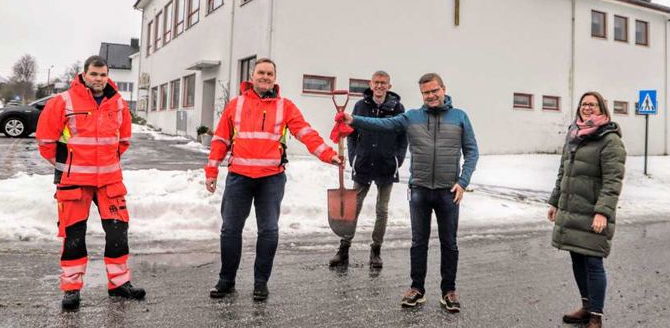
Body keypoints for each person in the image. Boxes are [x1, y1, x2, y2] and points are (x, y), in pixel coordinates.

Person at [205, 58, 341, 301]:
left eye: (270, 73)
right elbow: (220, 140)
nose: (265, 77)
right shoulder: (235, 105)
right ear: (252, 76)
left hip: (271, 179)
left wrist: (328, 154)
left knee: (268, 231)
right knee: (229, 230)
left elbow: (305, 133)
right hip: (239, 178)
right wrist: (212, 171)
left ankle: (260, 282)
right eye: (261, 73)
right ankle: (226, 280)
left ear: (274, 78)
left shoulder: (285, 107)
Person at [340, 72, 478, 313]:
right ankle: (417, 289)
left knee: (450, 243)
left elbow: (472, 152)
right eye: (426, 93)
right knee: (418, 243)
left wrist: (463, 181)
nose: (431, 96)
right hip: (420, 190)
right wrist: (354, 120)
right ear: (422, 95)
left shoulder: (460, 117)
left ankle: (449, 291)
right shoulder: (412, 117)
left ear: (443, 89)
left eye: (435, 91)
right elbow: (383, 124)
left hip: (448, 192)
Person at [35, 55, 145, 310]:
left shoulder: (117, 103)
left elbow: (124, 140)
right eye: (94, 74)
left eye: (103, 74)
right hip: (74, 182)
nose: (98, 79)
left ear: (108, 76)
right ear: (83, 75)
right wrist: (67, 166)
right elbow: (46, 141)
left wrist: (106, 161)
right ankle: (71, 289)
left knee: (118, 233)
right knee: (74, 235)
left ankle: (119, 284)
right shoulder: (63, 101)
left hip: (109, 181)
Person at [547, 91, 626, 328]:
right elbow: (564, 172)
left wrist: (603, 211)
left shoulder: (610, 140)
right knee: (577, 258)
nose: (587, 108)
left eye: (592, 104)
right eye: (584, 104)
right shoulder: (574, 134)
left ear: (602, 108)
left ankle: (596, 316)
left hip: (593, 213)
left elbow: (613, 181)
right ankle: (586, 305)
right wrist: (555, 201)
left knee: (593, 262)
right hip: (571, 209)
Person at [328, 71, 407, 269]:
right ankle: (344, 249)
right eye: (377, 83)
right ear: (371, 85)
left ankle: (376, 250)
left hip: (387, 165)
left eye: (384, 83)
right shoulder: (360, 106)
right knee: (354, 207)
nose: (380, 86)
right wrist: (354, 155)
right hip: (364, 163)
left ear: (389, 86)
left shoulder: (397, 108)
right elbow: (352, 134)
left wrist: (398, 159)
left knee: (382, 209)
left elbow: (402, 137)